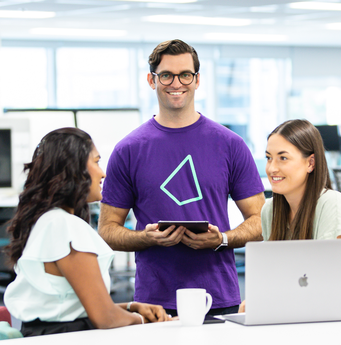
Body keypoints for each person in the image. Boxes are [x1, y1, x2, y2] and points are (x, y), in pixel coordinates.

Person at [98, 39, 265, 316]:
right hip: (154, 302)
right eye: (166, 75)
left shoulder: (230, 144)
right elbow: (107, 229)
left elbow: (261, 222)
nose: (177, 83)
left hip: (218, 297)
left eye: (185, 74)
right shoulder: (128, 150)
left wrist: (222, 238)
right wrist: (146, 238)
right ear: (152, 80)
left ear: (197, 80)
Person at [3, 128, 171, 337]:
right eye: (97, 161)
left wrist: (130, 307)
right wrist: (150, 322)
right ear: (74, 168)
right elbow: (105, 319)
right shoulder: (66, 226)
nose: (103, 173)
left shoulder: (48, 220)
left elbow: (65, 308)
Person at [239, 119, 341, 312]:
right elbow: (274, 280)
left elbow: (327, 283)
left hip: (331, 319)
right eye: (269, 158)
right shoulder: (270, 210)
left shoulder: (330, 203)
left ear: (310, 163)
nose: (272, 168)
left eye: (283, 158)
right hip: (290, 317)